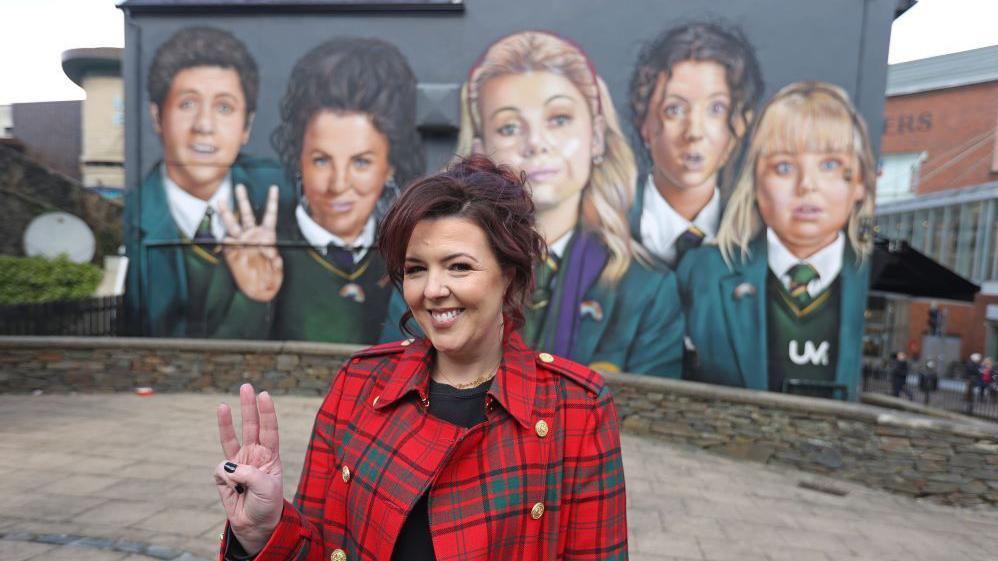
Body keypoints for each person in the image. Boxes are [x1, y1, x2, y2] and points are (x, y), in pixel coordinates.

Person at [213, 155, 628, 561]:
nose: (432, 289)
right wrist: (263, 534)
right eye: (415, 269)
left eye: (458, 266)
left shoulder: (578, 408)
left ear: (510, 275)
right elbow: (317, 549)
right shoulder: (359, 384)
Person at [380, 30, 684, 377]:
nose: (536, 143)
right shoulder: (427, 274)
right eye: (509, 127)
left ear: (596, 136)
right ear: (480, 149)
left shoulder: (647, 290)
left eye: (558, 119)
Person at [676, 82, 875, 400]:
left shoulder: (868, 275)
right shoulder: (704, 273)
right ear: (755, 181)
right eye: (783, 167)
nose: (807, 185)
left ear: (861, 182)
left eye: (830, 165)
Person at [124, 27, 292, 338]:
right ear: (157, 116)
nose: (204, 125)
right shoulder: (128, 217)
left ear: (247, 126)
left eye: (224, 107)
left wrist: (256, 296)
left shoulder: (288, 194)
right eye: (187, 104)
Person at [267, 37, 424, 343]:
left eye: (361, 162)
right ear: (298, 157)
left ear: (390, 166)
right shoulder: (257, 250)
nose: (338, 185)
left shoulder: (410, 253)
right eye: (321, 160)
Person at [627, 22, 763, 269]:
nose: (694, 132)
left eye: (716, 109)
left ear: (741, 123)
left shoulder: (757, 238)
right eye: (674, 109)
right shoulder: (603, 226)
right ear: (643, 122)